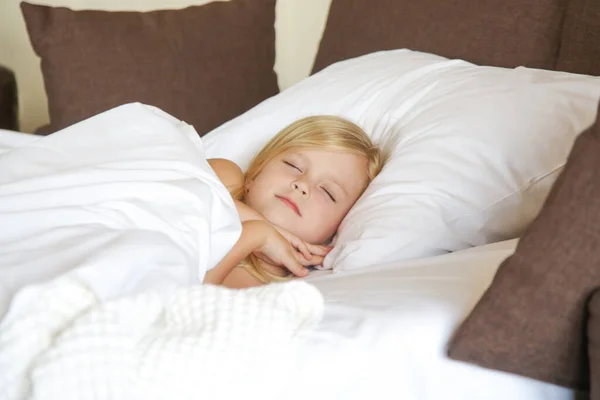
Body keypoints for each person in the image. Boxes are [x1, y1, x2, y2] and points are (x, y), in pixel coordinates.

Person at [204, 115, 385, 288]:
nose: (302, 185)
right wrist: (261, 229)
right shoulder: (225, 178)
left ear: (335, 231)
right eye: (294, 166)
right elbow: (193, 196)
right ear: (255, 174)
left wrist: (258, 235)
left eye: (327, 192)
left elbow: (185, 297)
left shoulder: (258, 287)